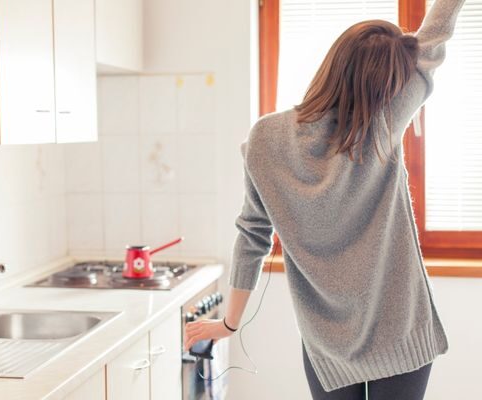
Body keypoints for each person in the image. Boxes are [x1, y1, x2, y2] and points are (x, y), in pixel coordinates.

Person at [183, 0, 467, 399]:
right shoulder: (384, 121)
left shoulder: (265, 138)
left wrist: (229, 323)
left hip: (327, 341)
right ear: (389, 87)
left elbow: (252, 237)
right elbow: (434, 38)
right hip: (400, 327)